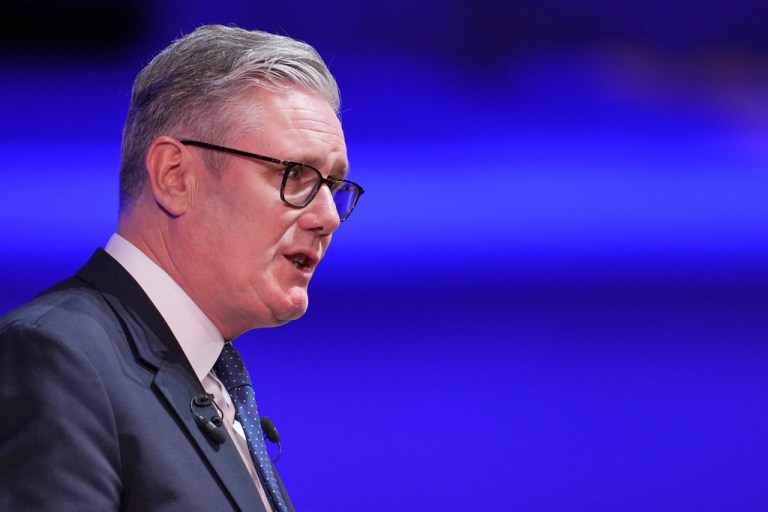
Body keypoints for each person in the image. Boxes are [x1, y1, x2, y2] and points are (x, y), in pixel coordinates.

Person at [0, 24, 363, 511]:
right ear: (174, 177)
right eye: (294, 174)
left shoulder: (213, 381)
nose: (327, 218)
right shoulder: (54, 357)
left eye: (333, 186)